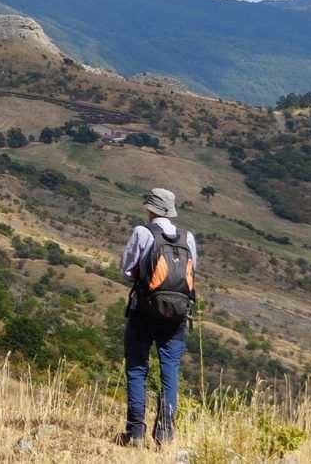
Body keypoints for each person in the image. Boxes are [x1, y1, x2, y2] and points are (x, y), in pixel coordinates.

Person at [118, 187, 199, 447]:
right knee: (170, 373)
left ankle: (135, 434)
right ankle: (165, 435)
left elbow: (126, 271)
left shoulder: (143, 232)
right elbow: (192, 274)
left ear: (151, 209)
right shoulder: (188, 238)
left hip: (144, 310)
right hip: (176, 316)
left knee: (137, 368)